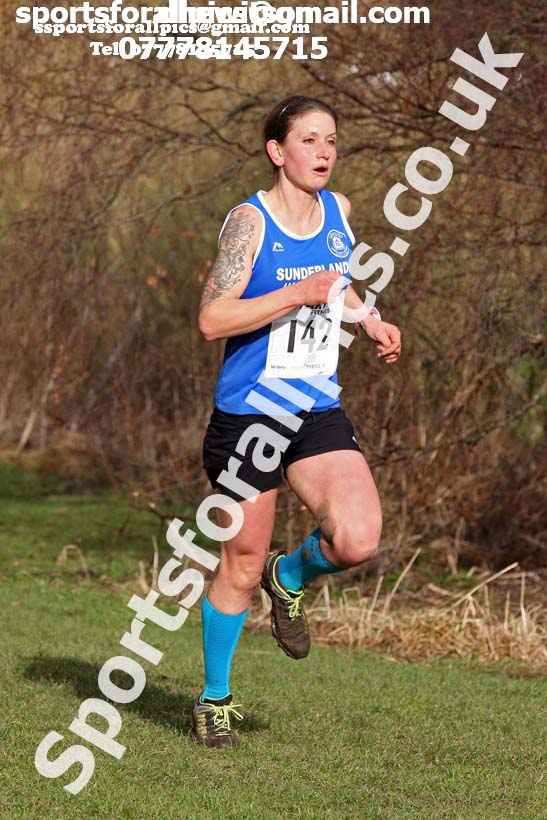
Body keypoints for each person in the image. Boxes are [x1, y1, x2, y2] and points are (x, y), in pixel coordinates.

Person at [192, 95, 401, 747]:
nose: (323, 152)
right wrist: (292, 294)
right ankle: (213, 698)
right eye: (308, 140)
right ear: (277, 152)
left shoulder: (338, 213)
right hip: (249, 418)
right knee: (241, 562)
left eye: (331, 141)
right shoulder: (248, 225)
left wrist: (367, 320)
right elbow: (210, 320)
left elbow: (336, 284)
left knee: (357, 536)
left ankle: (293, 579)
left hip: (312, 408)